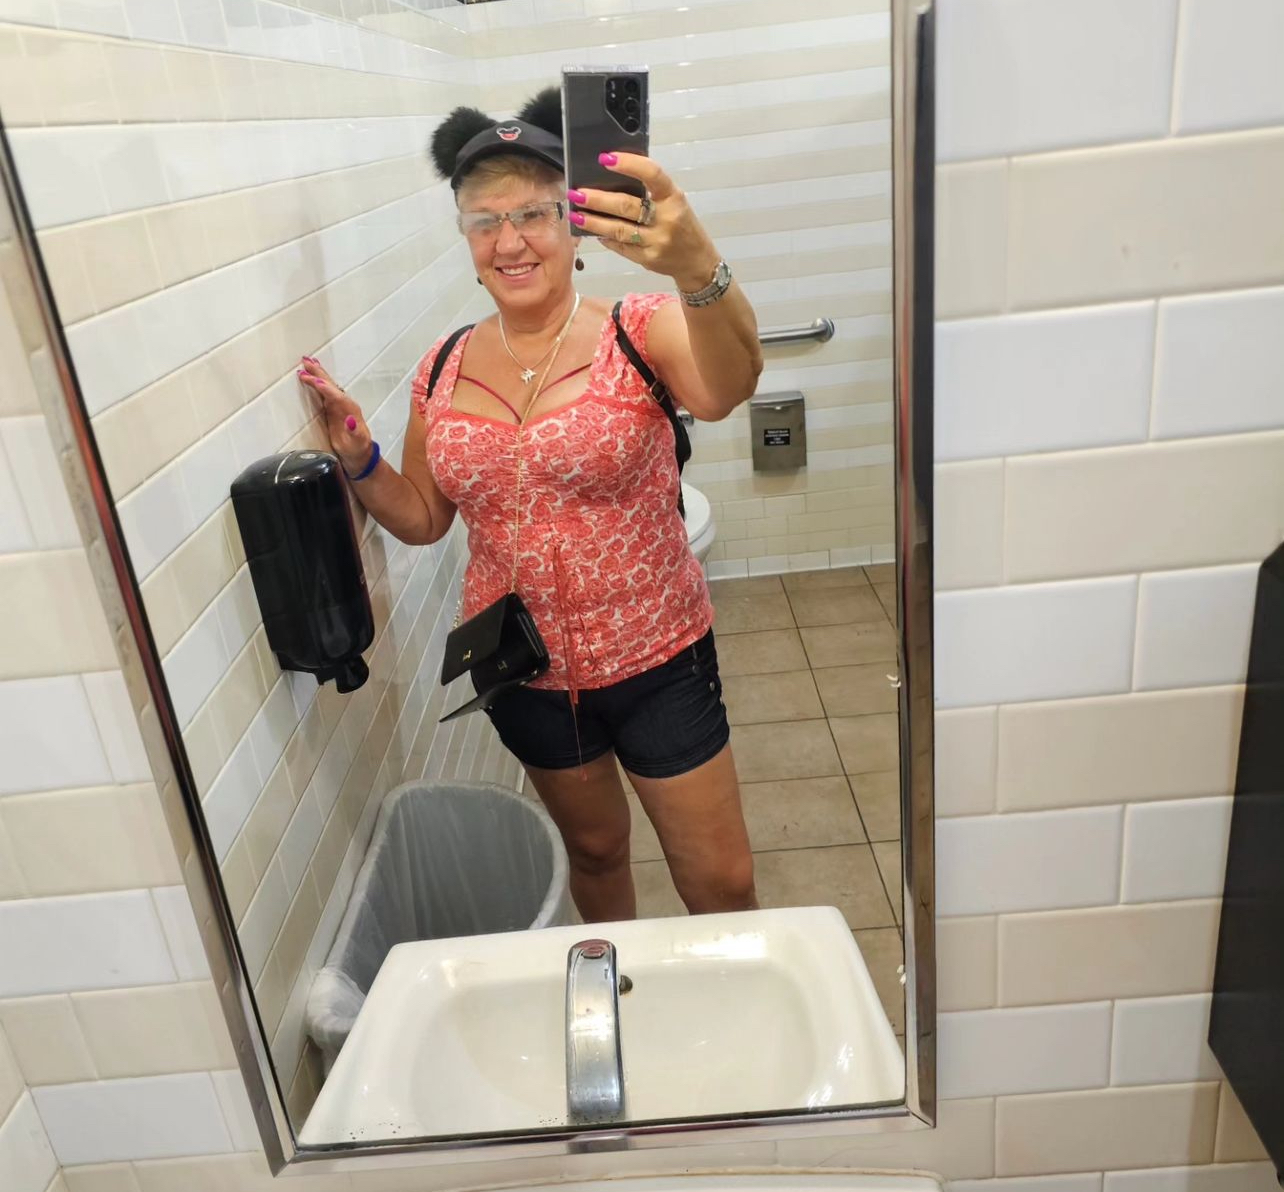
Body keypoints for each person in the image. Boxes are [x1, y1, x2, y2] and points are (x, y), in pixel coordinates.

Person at [298, 89, 763, 923]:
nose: (509, 241)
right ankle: (614, 986)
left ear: (574, 225)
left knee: (721, 882)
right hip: (524, 669)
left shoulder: (639, 329)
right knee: (596, 852)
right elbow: (423, 518)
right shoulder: (441, 368)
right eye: (485, 221)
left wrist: (698, 268)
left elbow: (729, 387)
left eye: (533, 214)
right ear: (466, 237)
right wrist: (358, 455)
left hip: (658, 660)